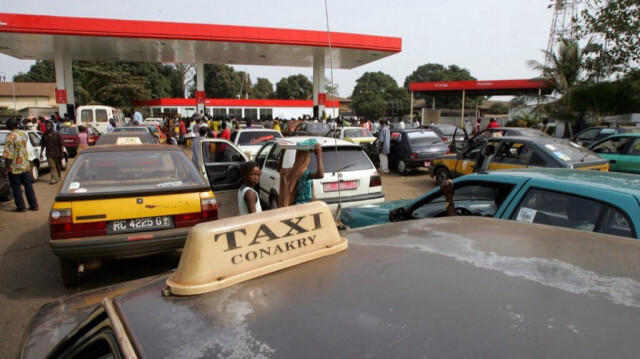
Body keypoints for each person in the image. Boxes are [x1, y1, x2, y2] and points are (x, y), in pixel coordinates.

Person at [2, 118, 38, 212]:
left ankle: (21, 207)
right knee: (28, 185)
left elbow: (9, 155)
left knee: (16, 187)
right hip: (24, 164)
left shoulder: (10, 137)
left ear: (9, 126)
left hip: (14, 167)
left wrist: (6, 169)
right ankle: (34, 205)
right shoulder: (23, 134)